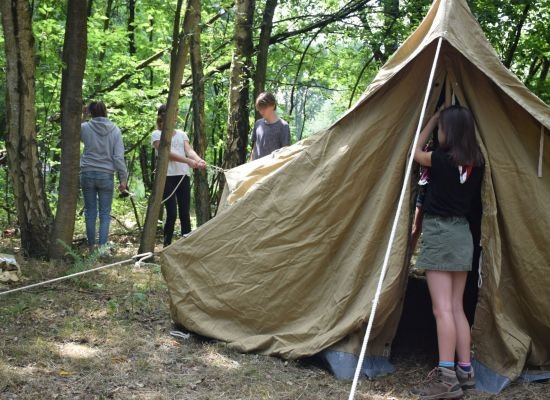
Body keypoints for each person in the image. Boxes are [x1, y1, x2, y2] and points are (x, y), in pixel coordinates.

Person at [411, 106, 484, 400]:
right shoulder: (476, 162)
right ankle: (465, 372)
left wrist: (430, 120)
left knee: (442, 309)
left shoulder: (440, 160)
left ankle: (446, 378)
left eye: (442, 128)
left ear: (448, 131)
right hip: (463, 235)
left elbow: (414, 150)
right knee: (456, 308)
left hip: (441, 234)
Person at [152, 104, 206, 247]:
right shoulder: (157, 135)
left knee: (184, 212)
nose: (176, 116)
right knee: (171, 213)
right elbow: (166, 153)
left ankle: (186, 246)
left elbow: (189, 150)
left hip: (182, 176)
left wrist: (198, 159)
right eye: (174, 113)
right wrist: (188, 161)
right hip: (167, 177)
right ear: (164, 116)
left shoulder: (182, 134)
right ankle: (167, 246)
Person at [80, 101, 128, 252]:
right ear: (105, 111)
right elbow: (118, 157)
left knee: (90, 211)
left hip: (87, 172)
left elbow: (74, 134)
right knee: (105, 213)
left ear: (90, 112)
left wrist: (83, 115)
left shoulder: (85, 127)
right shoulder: (115, 130)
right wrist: (123, 178)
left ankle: (91, 247)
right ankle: (102, 248)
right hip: (106, 174)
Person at [250, 92, 291, 160]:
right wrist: (250, 164)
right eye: (260, 108)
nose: (261, 111)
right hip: (255, 167)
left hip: (272, 168)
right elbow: (254, 148)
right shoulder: (258, 124)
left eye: (264, 108)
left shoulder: (283, 126)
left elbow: (285, 153)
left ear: (273, 105)